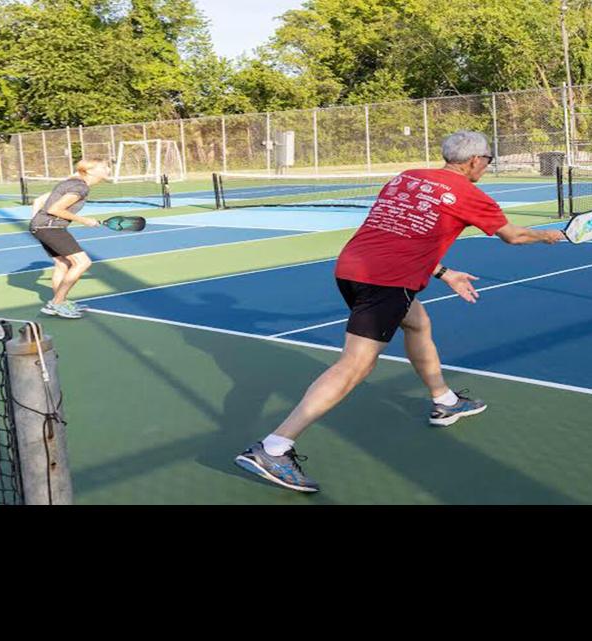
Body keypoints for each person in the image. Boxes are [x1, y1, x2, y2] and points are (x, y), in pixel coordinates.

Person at [233, 131, 569, 494]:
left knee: (418, 323)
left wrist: (444, 272)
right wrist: (552, 236)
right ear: (474, 160)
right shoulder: (470, 194)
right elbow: (514, 236)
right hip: (386, 281)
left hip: (352, 268)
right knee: (355, 365)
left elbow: (401, 230)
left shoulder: (406, 178)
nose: (487, 165)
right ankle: (274, 447)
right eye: (488, 159)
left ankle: (444, 401)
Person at [29, 157, 112, 319]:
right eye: (103, 167)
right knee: (83, 262)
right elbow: (55, 209)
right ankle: (57, 303)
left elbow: (38, 200)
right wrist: (85, 220)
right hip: (50, 227)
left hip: (41, 226)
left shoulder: (71, 182)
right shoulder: (80, 187)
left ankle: (59, 302)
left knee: (63, 263)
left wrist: (36, 223)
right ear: (90, 171)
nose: (107, 170)